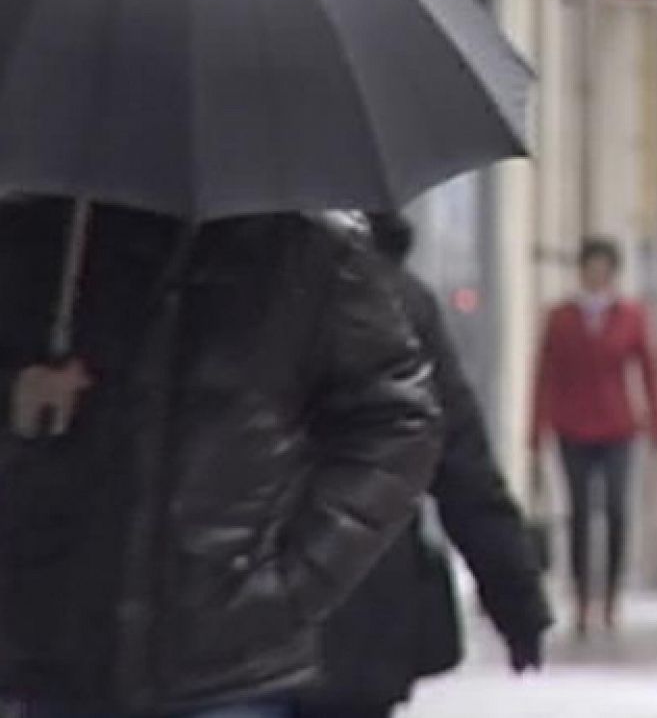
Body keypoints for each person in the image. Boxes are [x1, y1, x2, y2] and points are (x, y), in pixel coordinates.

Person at [0, 197, 441, 718]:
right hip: (62, 648)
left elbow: (396, 422)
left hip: (227, 665)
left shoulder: (309, 247)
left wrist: (294, 583)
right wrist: (17, 401)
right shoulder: (45, 236)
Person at [295, 213, 550, 718]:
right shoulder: (396, 299)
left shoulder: (204, 291)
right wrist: (516, 598)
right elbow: (459, 461)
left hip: (222, 624)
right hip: (361, 602)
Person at [533, 236, 657, 636]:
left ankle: (611, 595)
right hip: (571, 424)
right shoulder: (561, 318)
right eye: (590, 268)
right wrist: (535, 432)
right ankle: (580, 597)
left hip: (618, 426)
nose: (596, 275)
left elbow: (650, 369)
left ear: (612, 273)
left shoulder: (630, 316)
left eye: (603, 269)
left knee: (615, 508)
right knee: (577, 512)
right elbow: (544, 376)